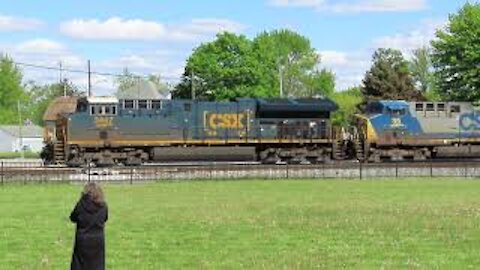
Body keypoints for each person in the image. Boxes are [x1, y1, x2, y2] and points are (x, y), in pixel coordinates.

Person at [70, 182, 108, 270]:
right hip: (98, 240)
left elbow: (73, 217)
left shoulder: (80, 205)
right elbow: (105, 218)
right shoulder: (103, 206)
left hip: (82, 239)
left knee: (80, 265)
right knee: (97, 265)